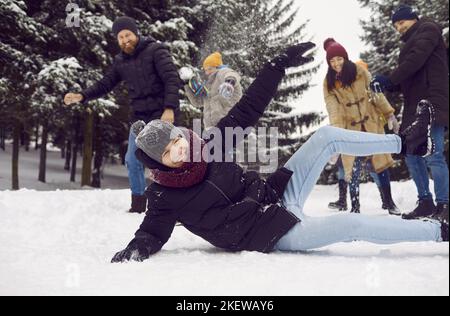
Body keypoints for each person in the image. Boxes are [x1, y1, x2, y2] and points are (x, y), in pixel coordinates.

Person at [109, 43, 448, 263]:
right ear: (158, 164)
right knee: (352, 223)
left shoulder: (208, 146)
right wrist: (138, 248)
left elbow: (248, 109)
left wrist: (275, 66)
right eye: (168, 153)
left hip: (275, 193)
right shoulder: (164, 195)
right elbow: (152, 230)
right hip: (267, 233)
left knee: (326, 135)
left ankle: (407, 144)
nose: (179, 151)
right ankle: (439, 232)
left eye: (175, 140)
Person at [63, 16, 181, 213]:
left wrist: (169, 108)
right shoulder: (120, 62)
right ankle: (138, 204)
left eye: (128, 35)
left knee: (165, 160)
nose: (125, 40)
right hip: (139, 118)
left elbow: (172, 79)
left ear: (136, 33)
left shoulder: (156, 50)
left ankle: (176, 205)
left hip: (161, 115)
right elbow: (105, 84)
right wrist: (82, 96)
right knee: (132, 159)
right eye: (120, 37)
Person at [370, 5, 449, 220]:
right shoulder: (412, 41)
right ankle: (425, 202)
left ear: (413, 18)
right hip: (415, 107)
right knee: (412, 155)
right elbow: (411, 75)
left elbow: (416, 60)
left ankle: (445, 205)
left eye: (402, 22)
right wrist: (389, 85)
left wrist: (391, 78)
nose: (399, 28)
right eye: (395, 25)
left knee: (434, 155)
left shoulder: (428, 29)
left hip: (431, 102)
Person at [323, 39, 401, 215]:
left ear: (345, 57)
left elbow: (376, 94)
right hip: (351, 130)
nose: (336, 64)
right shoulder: (328, 83)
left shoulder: (361, 72)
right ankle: (355, 207)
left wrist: (389, 114)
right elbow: (333, 110)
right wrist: (337, 134)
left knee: (381, 166)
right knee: (353, 169)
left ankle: (389, 203)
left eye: (339, 59)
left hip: (372, 125)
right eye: (332, 61)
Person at [181, 52, 243, 130]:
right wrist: (187, 85)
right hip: (210, 127)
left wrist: (229, 82)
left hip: (227, 122)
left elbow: (231, 74)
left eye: (210, 69)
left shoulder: (221, 72)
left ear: (217, 67)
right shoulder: (207, 86)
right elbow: (197, 102)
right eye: (206, 70)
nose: (207, 72)